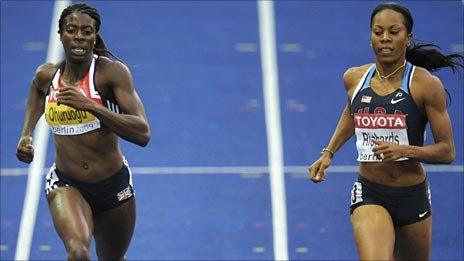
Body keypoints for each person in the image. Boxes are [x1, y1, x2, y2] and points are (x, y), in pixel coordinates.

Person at [308, 2, 462, 260]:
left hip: (411, 194)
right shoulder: (354, 78)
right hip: (370, 191)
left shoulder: (425, 85)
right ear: (370, 37)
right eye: (378, 32)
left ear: (408, 38)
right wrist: (328, 152)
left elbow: (447, 152)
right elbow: (352, 113)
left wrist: (404, 150)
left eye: (394, 32)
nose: (385, 39)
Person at [16, 3, 150, 260]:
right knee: (78, 253)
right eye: (71, 30)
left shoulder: (110, 74)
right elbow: (36, 90)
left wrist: (90, 106)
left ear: (94, 36)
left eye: (86, 31)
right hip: (67, 183)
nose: (79, 37)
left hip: (114, 186)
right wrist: (26, 134)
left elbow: (142, 133)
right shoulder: (48, 76)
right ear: (61, 35)